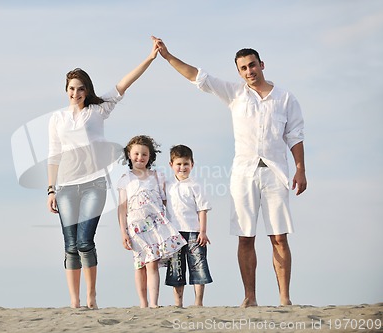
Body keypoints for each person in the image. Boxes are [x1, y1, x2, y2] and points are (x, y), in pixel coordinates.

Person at [152, 36, 307, 307]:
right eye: (244, 68)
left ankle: (285, 298)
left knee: (279, 237)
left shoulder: (285, 98)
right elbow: (199, 77)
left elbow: (295, 135)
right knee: (246, 237)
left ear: (261, 64)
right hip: (244, 174)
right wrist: (168, 56)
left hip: (276, 173)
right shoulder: (235, 94)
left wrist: (300, 168)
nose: (249, 71)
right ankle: (250, 297)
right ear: (239, 72)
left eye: (253, 65)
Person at [47, 39, 159, 309]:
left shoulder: (98, 110)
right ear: (66, 90)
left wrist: (150, 58)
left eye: (81, 88)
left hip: (93, 185)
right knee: (70, 245)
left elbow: (124, 83)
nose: (76, 93)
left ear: (87, 90)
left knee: (85, 242)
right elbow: (54, 156)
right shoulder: (57, 119)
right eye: (72, 89)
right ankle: (75, 301)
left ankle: (91, 296)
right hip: (65, 188)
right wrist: (51, 190)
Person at [117, 135, 187, 308]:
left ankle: (154, 303)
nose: (140, 157)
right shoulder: (125, 179)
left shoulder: (157, 176)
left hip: (156, 226)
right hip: (135, 228)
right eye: (136, 153)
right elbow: (122, 208)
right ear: (129, 154)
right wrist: (123, 232)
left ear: (150, 157)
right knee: (139, 265)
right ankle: (143, 302)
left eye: (144, 154)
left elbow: (165, 202)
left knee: (152, 262)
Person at [165, 145, 213, 307]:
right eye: (178, 164)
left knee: (198, 265)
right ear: (171, 164)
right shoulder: (167, 185)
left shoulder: (196, 185)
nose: (182, 167)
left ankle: (198, 302)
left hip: (194, 232)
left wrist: (203, 231)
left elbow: (202, 209)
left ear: (192, 164)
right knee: (176, 268)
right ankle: (178, 303)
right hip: (174, 233)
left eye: (186, 164)